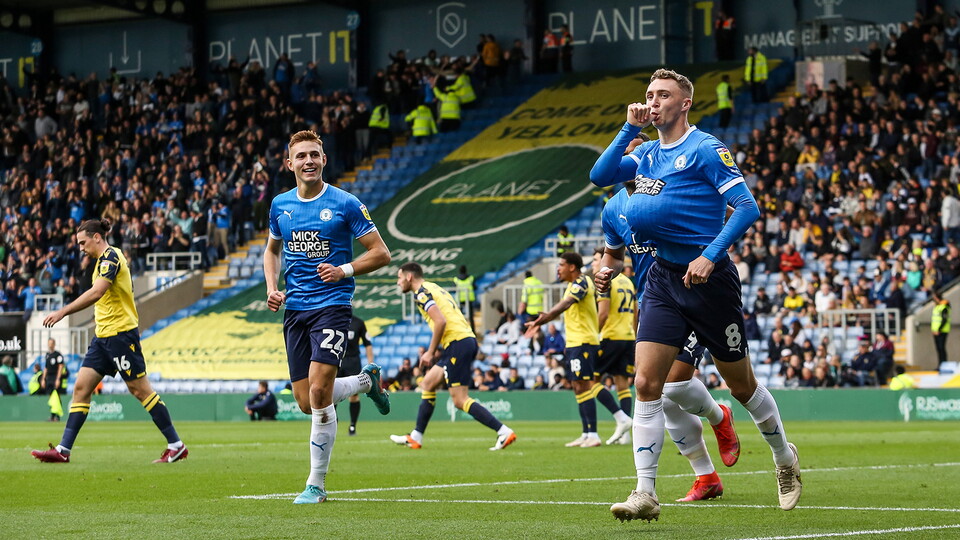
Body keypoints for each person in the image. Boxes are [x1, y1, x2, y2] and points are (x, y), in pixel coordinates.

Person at [590, 69, 800, 521]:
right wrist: (629, 127)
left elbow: (747, 207)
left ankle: (784, 458)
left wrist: (709, 255)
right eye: (649, 94)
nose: (653, 101)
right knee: (648, 384)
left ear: (684, 103)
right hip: (664, 280)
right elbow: (599, 175)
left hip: (709, 281)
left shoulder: (705, 148)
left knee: (741, 385)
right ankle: (645, 493)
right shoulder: (644, 152)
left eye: (663, 95)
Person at [263, 130, 392, 504]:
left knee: (320, 393)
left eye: (314, 155)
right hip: (295, 310)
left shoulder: (346, 203)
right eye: (300, 156)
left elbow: (381, 253)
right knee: (306, 402)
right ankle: (367, 382)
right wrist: (272, 286)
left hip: (333, 305)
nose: (308, 161)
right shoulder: (279, 205)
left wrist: (344, 270)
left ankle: (316, 484)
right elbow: (271, 251)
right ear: (289, 164)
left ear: (324, 159)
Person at [31, 219, 188, 464]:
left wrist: (62, 312)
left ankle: (176, 445)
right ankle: (63, 450)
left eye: (83, 242)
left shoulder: (111, 257)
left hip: (121, 336)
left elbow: (97, 292)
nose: (81, 248)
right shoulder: (99, 263)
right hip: (102, 338)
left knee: (140, 389)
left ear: (96, 237)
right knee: (81, 388)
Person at [390, 262, 517, 451]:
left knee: (459, 399)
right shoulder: (434, 288)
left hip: (457, 343)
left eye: (399, 278)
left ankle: (503, 431)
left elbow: (440, 321)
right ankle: (416, 436)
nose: (398, 282)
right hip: (460, 341)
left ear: (409, 277)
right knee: (428, 383)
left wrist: (430, 352)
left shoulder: (422, 293)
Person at [524, 252, 632, 448]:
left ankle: (598, 431)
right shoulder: (572, 285)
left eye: (561, 264)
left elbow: (566, 305)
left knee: (588, 384)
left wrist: (546, 317)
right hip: (576, 342)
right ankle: (587, 432)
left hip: (584, 342)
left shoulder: (582, 283)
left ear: (572, 267)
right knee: (578, 386)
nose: (558, 268)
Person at [591, 248, 638, 444]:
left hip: (610, 336)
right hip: (628, 336)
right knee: (622, 383)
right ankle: (625, 434)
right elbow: (636, 312)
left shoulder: (605, 279)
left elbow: (602, 313)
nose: (593, 264)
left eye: (595, 260)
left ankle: (621, 418)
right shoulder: (627, 281)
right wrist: (634, 335)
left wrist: (593, 335)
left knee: (591, 381)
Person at [340, 314, 375, 435]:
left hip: (353, 362)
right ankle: (332, 422)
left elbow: (368, 343)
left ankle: (352, 426)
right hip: (336, 360)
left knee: (354, 395)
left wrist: (371, 363)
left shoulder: (358, 322)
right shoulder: (333, 319)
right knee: (329, 394)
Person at [40, 338, 67, 421]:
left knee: (57, 396)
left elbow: (60, 366)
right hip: (49, 378)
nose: (50, 345)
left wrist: (58, 379)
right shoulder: (47, 355)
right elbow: (46, 368)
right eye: (49, 343)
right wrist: (43, 379)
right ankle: (52, 416)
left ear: (54, 344)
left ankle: (58, 416)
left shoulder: (58, 355)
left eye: (51, 343)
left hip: (56, 377)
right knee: (51, 397)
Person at [453, 265, 477, 333]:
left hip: (460, 299)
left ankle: (461, 331)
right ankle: (473, 332)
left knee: (460, 317)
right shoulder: (470, 278)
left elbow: (454, 289)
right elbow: (475, 287)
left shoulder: (456, 279)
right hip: (469, 299)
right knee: (471, 316)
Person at [932, 292, 951, 367]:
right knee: (938, 349)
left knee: (941, 348)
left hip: (942, 331)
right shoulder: (937, 307)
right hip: (936, 331)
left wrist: (939, 330)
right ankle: (940, 364)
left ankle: (944, 364)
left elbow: (944, 320)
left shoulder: (944, 307)